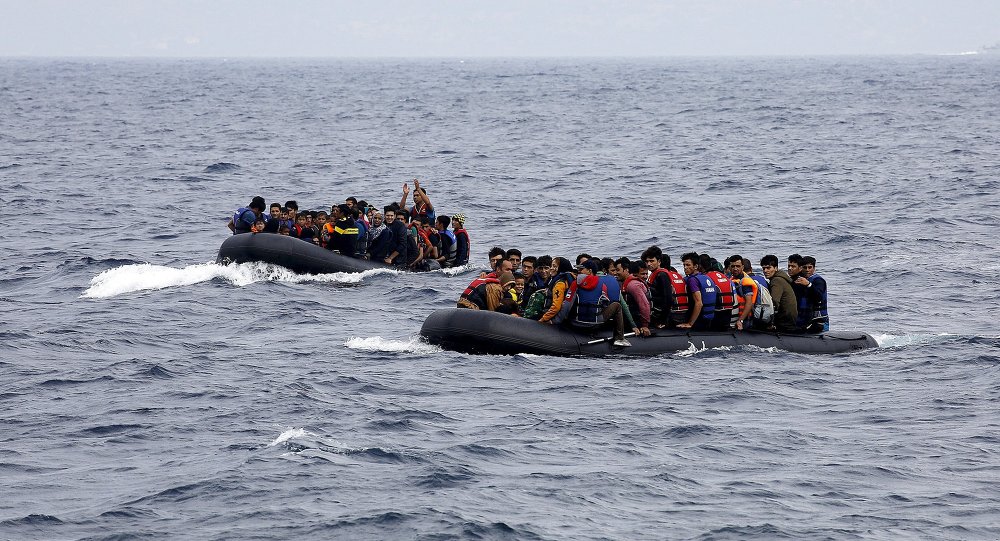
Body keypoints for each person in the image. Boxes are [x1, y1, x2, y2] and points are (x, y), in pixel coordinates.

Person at [571, 260, 630, 346]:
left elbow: (567, 304)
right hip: (594, 324)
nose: (579, 272)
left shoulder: (574, 283)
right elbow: (605, 303)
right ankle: (619, 338)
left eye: (581, 270)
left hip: (576, 323)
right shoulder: (602, 284)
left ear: (590, 271)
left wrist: (557, 322)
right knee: (617, 306)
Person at [678, 252, 716, 331]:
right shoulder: (706, 277)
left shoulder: (692, 280)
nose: (685, 268)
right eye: (684, 265)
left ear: (695, 266)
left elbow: (699, 303)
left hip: (699, 321)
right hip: (709, 319)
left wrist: (690, 323)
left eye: (688, 265)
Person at [760, 254, 799, 332]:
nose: (765, 271)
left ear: (776, 268)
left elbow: (774, 302)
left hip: (785, 321)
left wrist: (769, 321)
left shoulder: (776, 281)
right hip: (790, 319)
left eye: (768, 268)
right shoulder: (781, 278)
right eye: (763, 268)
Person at [538, 257, 576, 325]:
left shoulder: (560, 284)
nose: (551, 268)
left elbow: (556, 306)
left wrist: (543, 319)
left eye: (554, 266)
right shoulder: (570, 280)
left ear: (561, 268)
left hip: (554, 319)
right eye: (551, 265)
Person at [726, 255, 760, 331]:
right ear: (729, 267)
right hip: (735, 318)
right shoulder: (732, 279)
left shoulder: (745, 282)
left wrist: (740, 320)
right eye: (733, 266)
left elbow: (749, 303)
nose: (735, 268)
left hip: (745, 321)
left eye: (738, 266)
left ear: (742, 267)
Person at [620, 259, 651, 337]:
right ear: (635, 273)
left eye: (646, 274)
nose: (645, 276)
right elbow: (644, 305)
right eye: (642, 274)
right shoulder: (635, 285)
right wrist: (645, 325)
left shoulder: (632, 282)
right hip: (638, 320)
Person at [798, 255, 829, 332]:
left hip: (819, 320)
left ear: (814, 268)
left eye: (810, 267)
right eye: (805, 267)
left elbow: (819, 296)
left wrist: (808, 284)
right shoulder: (800, 280)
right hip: (805, 319)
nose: (807, 270)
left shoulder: (818, 280)